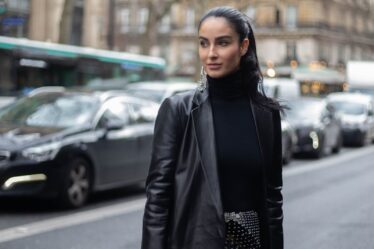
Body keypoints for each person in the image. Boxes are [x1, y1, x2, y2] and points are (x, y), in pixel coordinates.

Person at [142, 6, 283, 249]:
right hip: (196, 241)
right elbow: (158, 199)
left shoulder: (265, 114)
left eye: (223, 43)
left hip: (250, 242)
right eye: (203, 43)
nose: (211, 53)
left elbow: (272, 199)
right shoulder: (178, 110)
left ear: (243, 46)